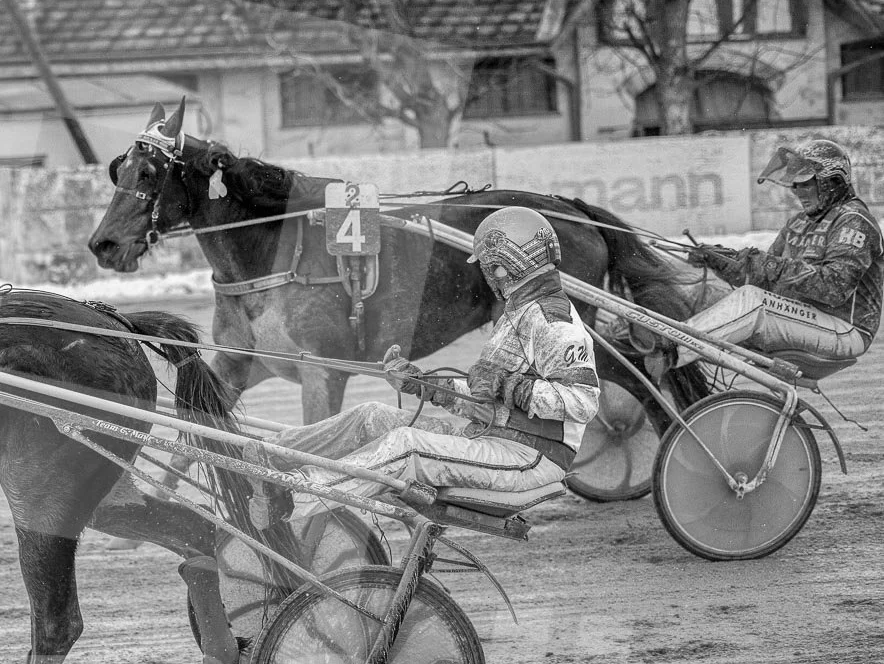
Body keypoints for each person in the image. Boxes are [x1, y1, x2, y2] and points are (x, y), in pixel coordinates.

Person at [257, 205, 601, 519]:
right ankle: (266, 456)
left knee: (407, 445)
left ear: (509, 263)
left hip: (530, 458)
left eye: (489, 266)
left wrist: (509, 385)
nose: (488, 275)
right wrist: (423, 385)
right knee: (372, 416)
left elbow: (582, 402)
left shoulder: (552, 321)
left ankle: (291, 496)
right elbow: (485, 400)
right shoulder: (519, 313)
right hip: (492, 439)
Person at [676, 138, 882, 369]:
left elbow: (834, 288)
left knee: (753, 301)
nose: (797, 192)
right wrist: (722, 261)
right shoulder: (798, 223)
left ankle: (674, 349)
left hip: (845, 328)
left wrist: (766, 264)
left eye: (806, 184)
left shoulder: (854, 221)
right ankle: (662, 347)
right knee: (702, 294)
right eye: (795, 185)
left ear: (832, 181)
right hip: (804, 318)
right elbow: (764, 279)